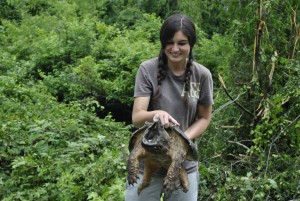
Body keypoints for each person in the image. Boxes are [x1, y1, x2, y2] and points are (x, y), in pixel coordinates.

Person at [125, 13, 214, 201]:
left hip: (182, 164)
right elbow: (137, 117)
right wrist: (157, 114)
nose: (175, 49)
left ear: (191, 44)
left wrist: (181, 141)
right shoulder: (148, 69)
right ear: (163, 43)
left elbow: (204, 118)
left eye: (182, 43)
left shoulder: (202, 75)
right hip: (147, 159)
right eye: (169, 42)